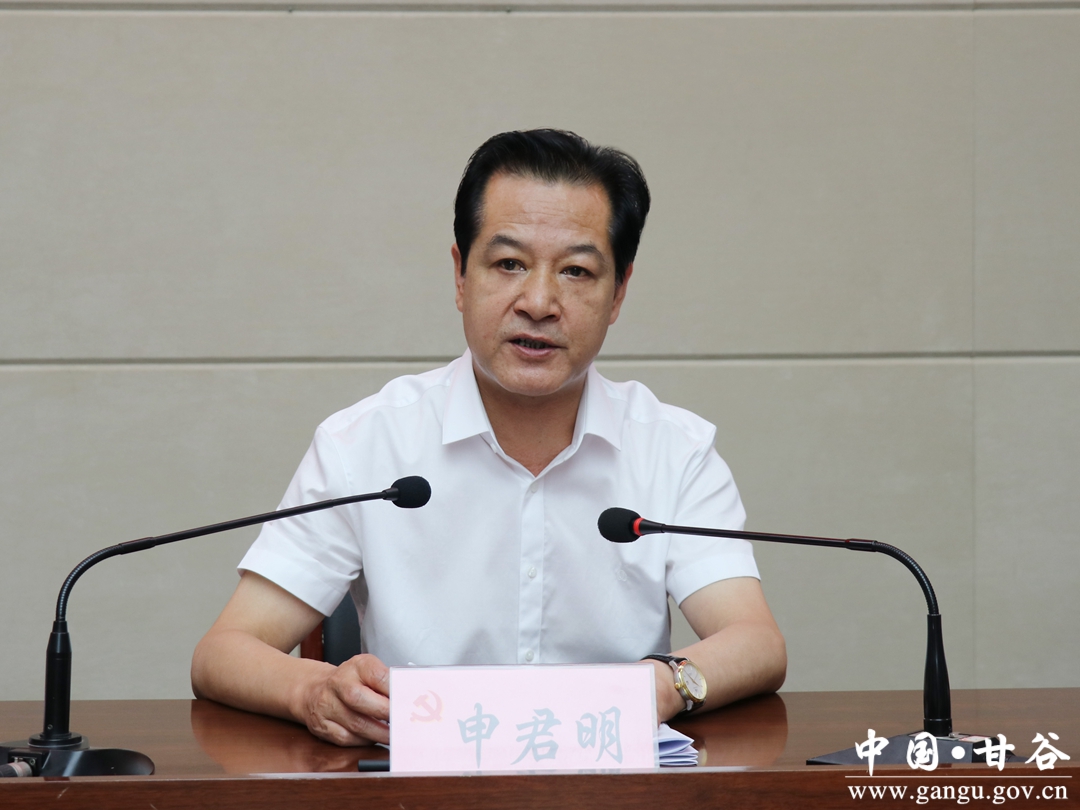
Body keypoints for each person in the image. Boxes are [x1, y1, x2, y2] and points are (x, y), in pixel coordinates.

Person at [191, 129, 786, 747]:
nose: (539, 302)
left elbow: (755, 642)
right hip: (422, 784)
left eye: (577, 271)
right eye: (509, 264)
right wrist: (312, 691)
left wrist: (664, 684)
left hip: (609, 784)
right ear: (460, 275)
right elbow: (224, 651)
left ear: (618, 294)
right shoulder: (366, 444)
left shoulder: (674, 450)